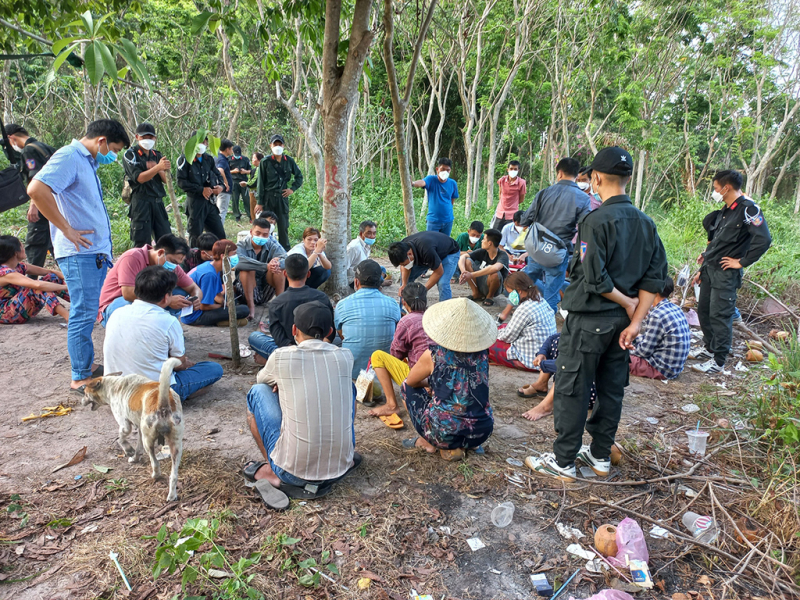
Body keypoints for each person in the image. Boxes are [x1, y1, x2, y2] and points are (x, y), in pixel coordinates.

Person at [524, 146, 668, 482]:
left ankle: (563, 461)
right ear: (628, 178)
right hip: (622, 327)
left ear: (597, 178)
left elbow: (594, 277)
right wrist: (634, 318)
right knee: (611, 387)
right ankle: (600, 455)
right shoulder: (647, 224)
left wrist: (626, 304)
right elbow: (654, 278)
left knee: (573, 385)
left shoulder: (595, 219)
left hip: (591, 320)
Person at [28, 118, 130, 392]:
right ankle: (80, 376)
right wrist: (67, 229)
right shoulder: (69, 156)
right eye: (115, 149)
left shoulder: (86, 162)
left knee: (86, 312)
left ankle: (85, 366)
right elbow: (36, 189)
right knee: (83, 314)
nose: (114, 155)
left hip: (92, 253)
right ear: (101, 141)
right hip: (79, 253)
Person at [244, 301, 359, 504]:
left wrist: (281, 380)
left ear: (294, 330)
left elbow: (262, 380)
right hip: (341, 468)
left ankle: (273, 470)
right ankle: (341, 453)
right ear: (330, 331)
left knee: (257, 392)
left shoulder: (281, 357)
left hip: (292, 473)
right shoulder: (345, 356)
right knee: (349, 388)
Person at [690, 170, 771, 374]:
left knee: (720, 314)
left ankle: (718, 360)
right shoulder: (726, 210)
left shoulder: (748, 210)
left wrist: (742, 262)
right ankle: (710, 349)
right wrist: (704, 257)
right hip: (710, 269)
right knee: (705, 311)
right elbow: (719, 241)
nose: (715, 192)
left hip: (726, 273)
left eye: (716, 188)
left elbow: (764, 239)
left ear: (726, 188)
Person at [104, 266, 223, 399]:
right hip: (152, 391)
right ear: (166, 298)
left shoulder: (117, 313)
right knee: (214, 369)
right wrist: (185, 363)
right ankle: (179, 394)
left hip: (116, 388)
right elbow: (178, 365)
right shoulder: (168, 321)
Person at [400, 298, 496, 460]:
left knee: (405, 386)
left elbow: (412, 382)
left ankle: (428, 442)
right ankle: (472, 445)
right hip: (482, 431)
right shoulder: (483, 355)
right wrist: (435, 384)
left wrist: (429, 384)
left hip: (443, 433)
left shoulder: (433, 355)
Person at [520, 157, 591, 311]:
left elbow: (526, 219)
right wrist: (582, 255)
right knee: (551, 295)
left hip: (536, 249)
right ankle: (548, 329)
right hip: (558, 254)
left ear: (559, 174)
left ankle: (510, 311)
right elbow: (586, 229)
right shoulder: (584, 199)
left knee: (524, 283)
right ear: (577, 176)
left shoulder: (544, 193)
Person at [98, 234, 201, 326]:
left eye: (178, 263)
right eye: (173, 261)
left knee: (181, 293)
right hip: (116, 304)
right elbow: (128, 294)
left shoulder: (172, 266)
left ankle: (162, 328)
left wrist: (196, 299)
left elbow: (194, 288)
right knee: (130, 307)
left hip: (148, 301)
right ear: (161, 252)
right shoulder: (132, 257)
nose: (175, 266)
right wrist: (168, 301)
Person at [248, 254, 334, 363]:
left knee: (255, 336)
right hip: (320, 348)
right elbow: (330, 331)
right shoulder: (322, 297)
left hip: (291, 354)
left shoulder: (277, 303)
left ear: (285, 274)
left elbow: (279, 338)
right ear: (308, 274)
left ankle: (274, 360)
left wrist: (294, 353)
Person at [368, 283, 432, 420]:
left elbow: (396, 354)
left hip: (420, 377)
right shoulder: (435, 318)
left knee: (377, 356)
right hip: (438, 377)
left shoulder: (406, 321)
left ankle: (391, 404)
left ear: (404, 302)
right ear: (425, 301)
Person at [334, 260, 401, 379]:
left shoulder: (342, 304)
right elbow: (395, 332)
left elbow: (342, 334)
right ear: (380, 282)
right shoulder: (392, 304)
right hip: (384, 373)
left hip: (353, 372)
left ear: (356, 282)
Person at [6, 124, 56, 269]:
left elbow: (36, 179)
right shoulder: (45, 147)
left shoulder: (29, 150)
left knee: (36, 241)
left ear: (11, 138)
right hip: (56, 202)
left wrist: (34, 205)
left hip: (43, 202)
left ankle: (32, 282)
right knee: (53, 240)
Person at [519, 333, 597, 422]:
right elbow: (552, 337)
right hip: (580, 374)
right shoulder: (581, 325)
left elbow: (578, 363)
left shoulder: (598, 334)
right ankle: (541, 384)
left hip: (593, 389)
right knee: (558, 341)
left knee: (567, 369)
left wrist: (545, 364)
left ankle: (546, 407)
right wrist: (542, 354)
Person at [488, 272, 556, 371]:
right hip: (545, 354)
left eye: (510, 293)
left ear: (519, 291)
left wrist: (494, 332)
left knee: (487, 343)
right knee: (503, 327)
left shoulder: (525, 308)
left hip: (531, 360)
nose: (510, 297)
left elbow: (507, 337)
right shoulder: (539, 298)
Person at [123, 123, 172, 248]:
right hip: (141, 203)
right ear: (137, 137)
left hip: (158, 202)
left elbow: (167, 180)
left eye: (150, 137)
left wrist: (160, 168)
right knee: (142, 243)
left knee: (166, 240)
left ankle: (164, 267)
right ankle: (142, 267)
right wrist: (157, 167)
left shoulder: (157, 155)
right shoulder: (131, 155)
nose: (148, 140)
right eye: (144, 137)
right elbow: (139, 178)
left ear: (155, 138)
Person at [0, 234, 69, 324]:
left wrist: (72, 278)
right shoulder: (4, 273)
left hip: (20, 306)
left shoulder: (18, 266)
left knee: (51, 277)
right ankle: (70, 318)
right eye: (21, 246)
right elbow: (38, 285)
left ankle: (88, 305)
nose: (24, 248)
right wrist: (66, 287)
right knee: (37, 288)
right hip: (6, 314)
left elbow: (49, 272)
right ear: (15, 253)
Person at [631, 277, 691, 379]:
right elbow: (654, 340)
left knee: (615, 356)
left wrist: (627, 350)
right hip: (673, 368)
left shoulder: (656, 315)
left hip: (660, 369)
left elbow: (644, 352)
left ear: (655, 291)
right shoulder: (675, 308)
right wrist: (636, 339)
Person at [181, 239, 249, 326]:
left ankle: (224, 319)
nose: (236, 256)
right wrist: (223, 306)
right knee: (244, 310)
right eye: (234, 254)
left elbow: (217, 294)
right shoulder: (209, 275)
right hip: (195, 315)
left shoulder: (212, 266)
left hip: (203, 305)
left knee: (231, 298)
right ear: (222, 256)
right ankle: (221, 321)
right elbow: (203, 306)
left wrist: (225, 303)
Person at [177, 131, 225, 247]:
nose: (203, 144)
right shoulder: (184, 159)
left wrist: (221, 186)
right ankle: (193, 261)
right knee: (195, 236)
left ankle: (219, 260)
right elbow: (181, 182)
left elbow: (217, 174)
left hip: (210, 202)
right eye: (200, 141)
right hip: (195, 203)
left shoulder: (208, 159)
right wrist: (200, 189)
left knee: (219, 235)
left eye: (205, 142)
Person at [256, 134, 303, 250]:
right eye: (275, 144)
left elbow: (299, 177)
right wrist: (259, 202)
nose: (277, 146)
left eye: (279, 144)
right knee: (266, 225)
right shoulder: (265, 162)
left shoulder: (289, 161)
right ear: (270, 146)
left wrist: (292, 189)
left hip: (282, 198)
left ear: (283, 145)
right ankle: (265, 250)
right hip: (268, 197)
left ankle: (285, 252)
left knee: (283, 226)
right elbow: (260, 182)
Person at [236, 217, 287, 320]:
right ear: (251, 232)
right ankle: (251, 308)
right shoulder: (241, 245)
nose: (261, 236)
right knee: (247, 269)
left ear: (269, 235)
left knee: (278, 268)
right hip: (244, 291)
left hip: (265, 291)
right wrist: (265, 266)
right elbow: (238, 262)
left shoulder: (272, 245)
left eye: (265, 234)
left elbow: (286, 259)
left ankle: (280, 305)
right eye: (258, 233)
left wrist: (276, 263)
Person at [388, 231, 460, 302]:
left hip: (449, 252)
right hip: (428, 254)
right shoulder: (402, 247)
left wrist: (423, 291)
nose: (403, 266)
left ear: (409, 254)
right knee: (405, 283)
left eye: (403, 264)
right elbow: (405, 267)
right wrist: (404, 284)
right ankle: (405, 308)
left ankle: (446, 309)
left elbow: (439, 272)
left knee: (442, 283)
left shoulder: (426, 250)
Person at [458, 228, 509, 306]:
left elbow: (495, 268)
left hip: (494, 286)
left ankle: (489, 296)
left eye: (484, 239)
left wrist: (471, 275)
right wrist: (463, 271)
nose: (481, 241)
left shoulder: (503, 255)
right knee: (467, 260)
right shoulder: (482, 251)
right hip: (480, 281)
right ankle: (476, 293)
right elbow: (463, 256)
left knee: (494, 273)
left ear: (489, 243)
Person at [412, 158, 459, 236]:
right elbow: (422, 182)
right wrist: (413, 183)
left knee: (445, 244)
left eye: (448, 170)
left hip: (448, 220)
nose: (445, 172)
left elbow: (452, 199)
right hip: (433, 221)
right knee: (431, 243)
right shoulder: (431, 179)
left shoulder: (453, 183)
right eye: (443, 169)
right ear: (437, 169)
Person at [346, 220, 390, 288]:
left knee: (382, 269)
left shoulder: (366, 245)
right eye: (369, 233)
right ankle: (379, 283)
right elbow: (345, 267)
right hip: (355, 277)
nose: (372, 236)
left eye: (374, 233)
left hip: (364, 271)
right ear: (361, 234)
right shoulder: (354, 247)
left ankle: (378, 282)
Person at [492, 160, 527, 231]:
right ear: (507, 170)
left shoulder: (521, 183)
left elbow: (521, 199)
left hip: (512, 215)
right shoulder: (502, 180)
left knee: (509, 234)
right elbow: (500, 193)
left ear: (518, 170)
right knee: (494, 234)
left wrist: (512, 205)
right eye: (511, 168)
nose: (513, 170)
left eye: (515, 169)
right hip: (500, 213)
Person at [229, 145, 251, 222]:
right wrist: (233, 171)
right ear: (232, 152)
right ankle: (237, 216)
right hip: (234, 181)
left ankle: (250, 215)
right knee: (235, 199)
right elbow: (224, 172)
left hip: (244, 181)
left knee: (247, 199)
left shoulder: (245, 159)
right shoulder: (228, 160)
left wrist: (245, 171)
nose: (237, 156)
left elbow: (251, 171)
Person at [215, 138, 235, 223]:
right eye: (231, 149)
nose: (232, 151)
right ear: (227, 149)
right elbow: (220, 170)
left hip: (217, 187)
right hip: (223, 190)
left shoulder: (216, 157)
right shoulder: (222, 159)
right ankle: (219, 233)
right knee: (221, 211)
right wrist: (226, 183)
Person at [247, 152, 263, 221]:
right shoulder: (256, 169)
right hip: (253, 192)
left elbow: (254, 181)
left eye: (254, 158)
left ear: (259, 160)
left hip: (256, 192)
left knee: (255, 210)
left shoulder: (259, 169)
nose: (252, 160)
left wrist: (247, 184)